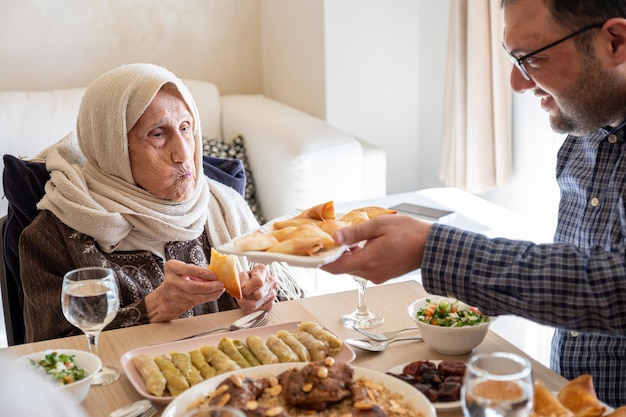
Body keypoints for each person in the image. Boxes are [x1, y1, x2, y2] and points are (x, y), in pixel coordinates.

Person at [323, 0, 626, 407]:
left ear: (616, 42)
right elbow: (580, 266)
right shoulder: (586, 130)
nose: (517, 83)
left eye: (532, 59)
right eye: (512, 58)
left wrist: (431, 248)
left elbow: (615, 286)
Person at [19, 63, 303, 344]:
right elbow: (51, 358)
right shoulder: (53, 236)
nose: (184, 153)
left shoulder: (223, 207)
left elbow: (294, 313)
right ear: (112, 148)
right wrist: (153, 308)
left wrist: (265, 295)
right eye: (158, 134)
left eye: (186, 128)